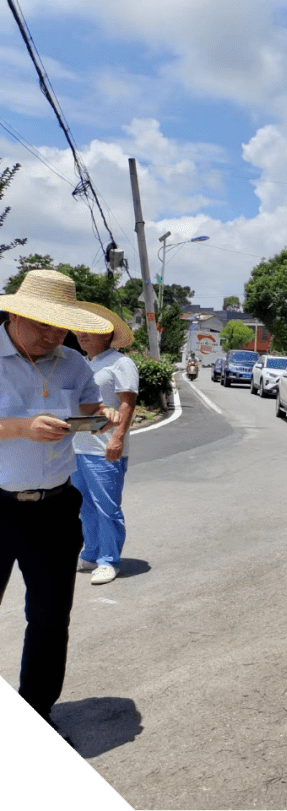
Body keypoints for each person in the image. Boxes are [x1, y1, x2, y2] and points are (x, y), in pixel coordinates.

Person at [0, 269, 119, 747]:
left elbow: (89, 411)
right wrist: (21, 428)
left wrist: (98, 417)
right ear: (14, 313)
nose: (52, 334)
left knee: (50, 618)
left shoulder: (72, 363)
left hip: (54, 506)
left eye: (60, 326)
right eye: (42, 324)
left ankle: (35, 716)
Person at [71, 303, 139, 586]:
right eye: (79, 332)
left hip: (104, 450)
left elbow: (127, 403)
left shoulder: (120, 363)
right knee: (84, 506)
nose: (82, 336)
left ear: (107, 334)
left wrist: (118, 437)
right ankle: (91, 553)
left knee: (106, 507)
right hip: (79, 447)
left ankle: (109, 560)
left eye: (89, 332)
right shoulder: (86, 363)